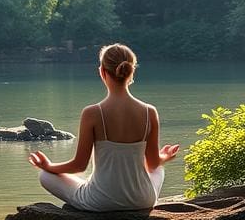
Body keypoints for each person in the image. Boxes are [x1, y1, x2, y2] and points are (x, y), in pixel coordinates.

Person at [29, 44, 179, 211]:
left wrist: (48, 166)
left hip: (101, 202)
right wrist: (164, 157)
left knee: (45, 176)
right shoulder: (149, 112)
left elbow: (79, 165)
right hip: (142, 200)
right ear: (131, 71)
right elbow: (152, 164)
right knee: (159, 168)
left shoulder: (92, 113)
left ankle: (96, 187)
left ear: (102, 72)